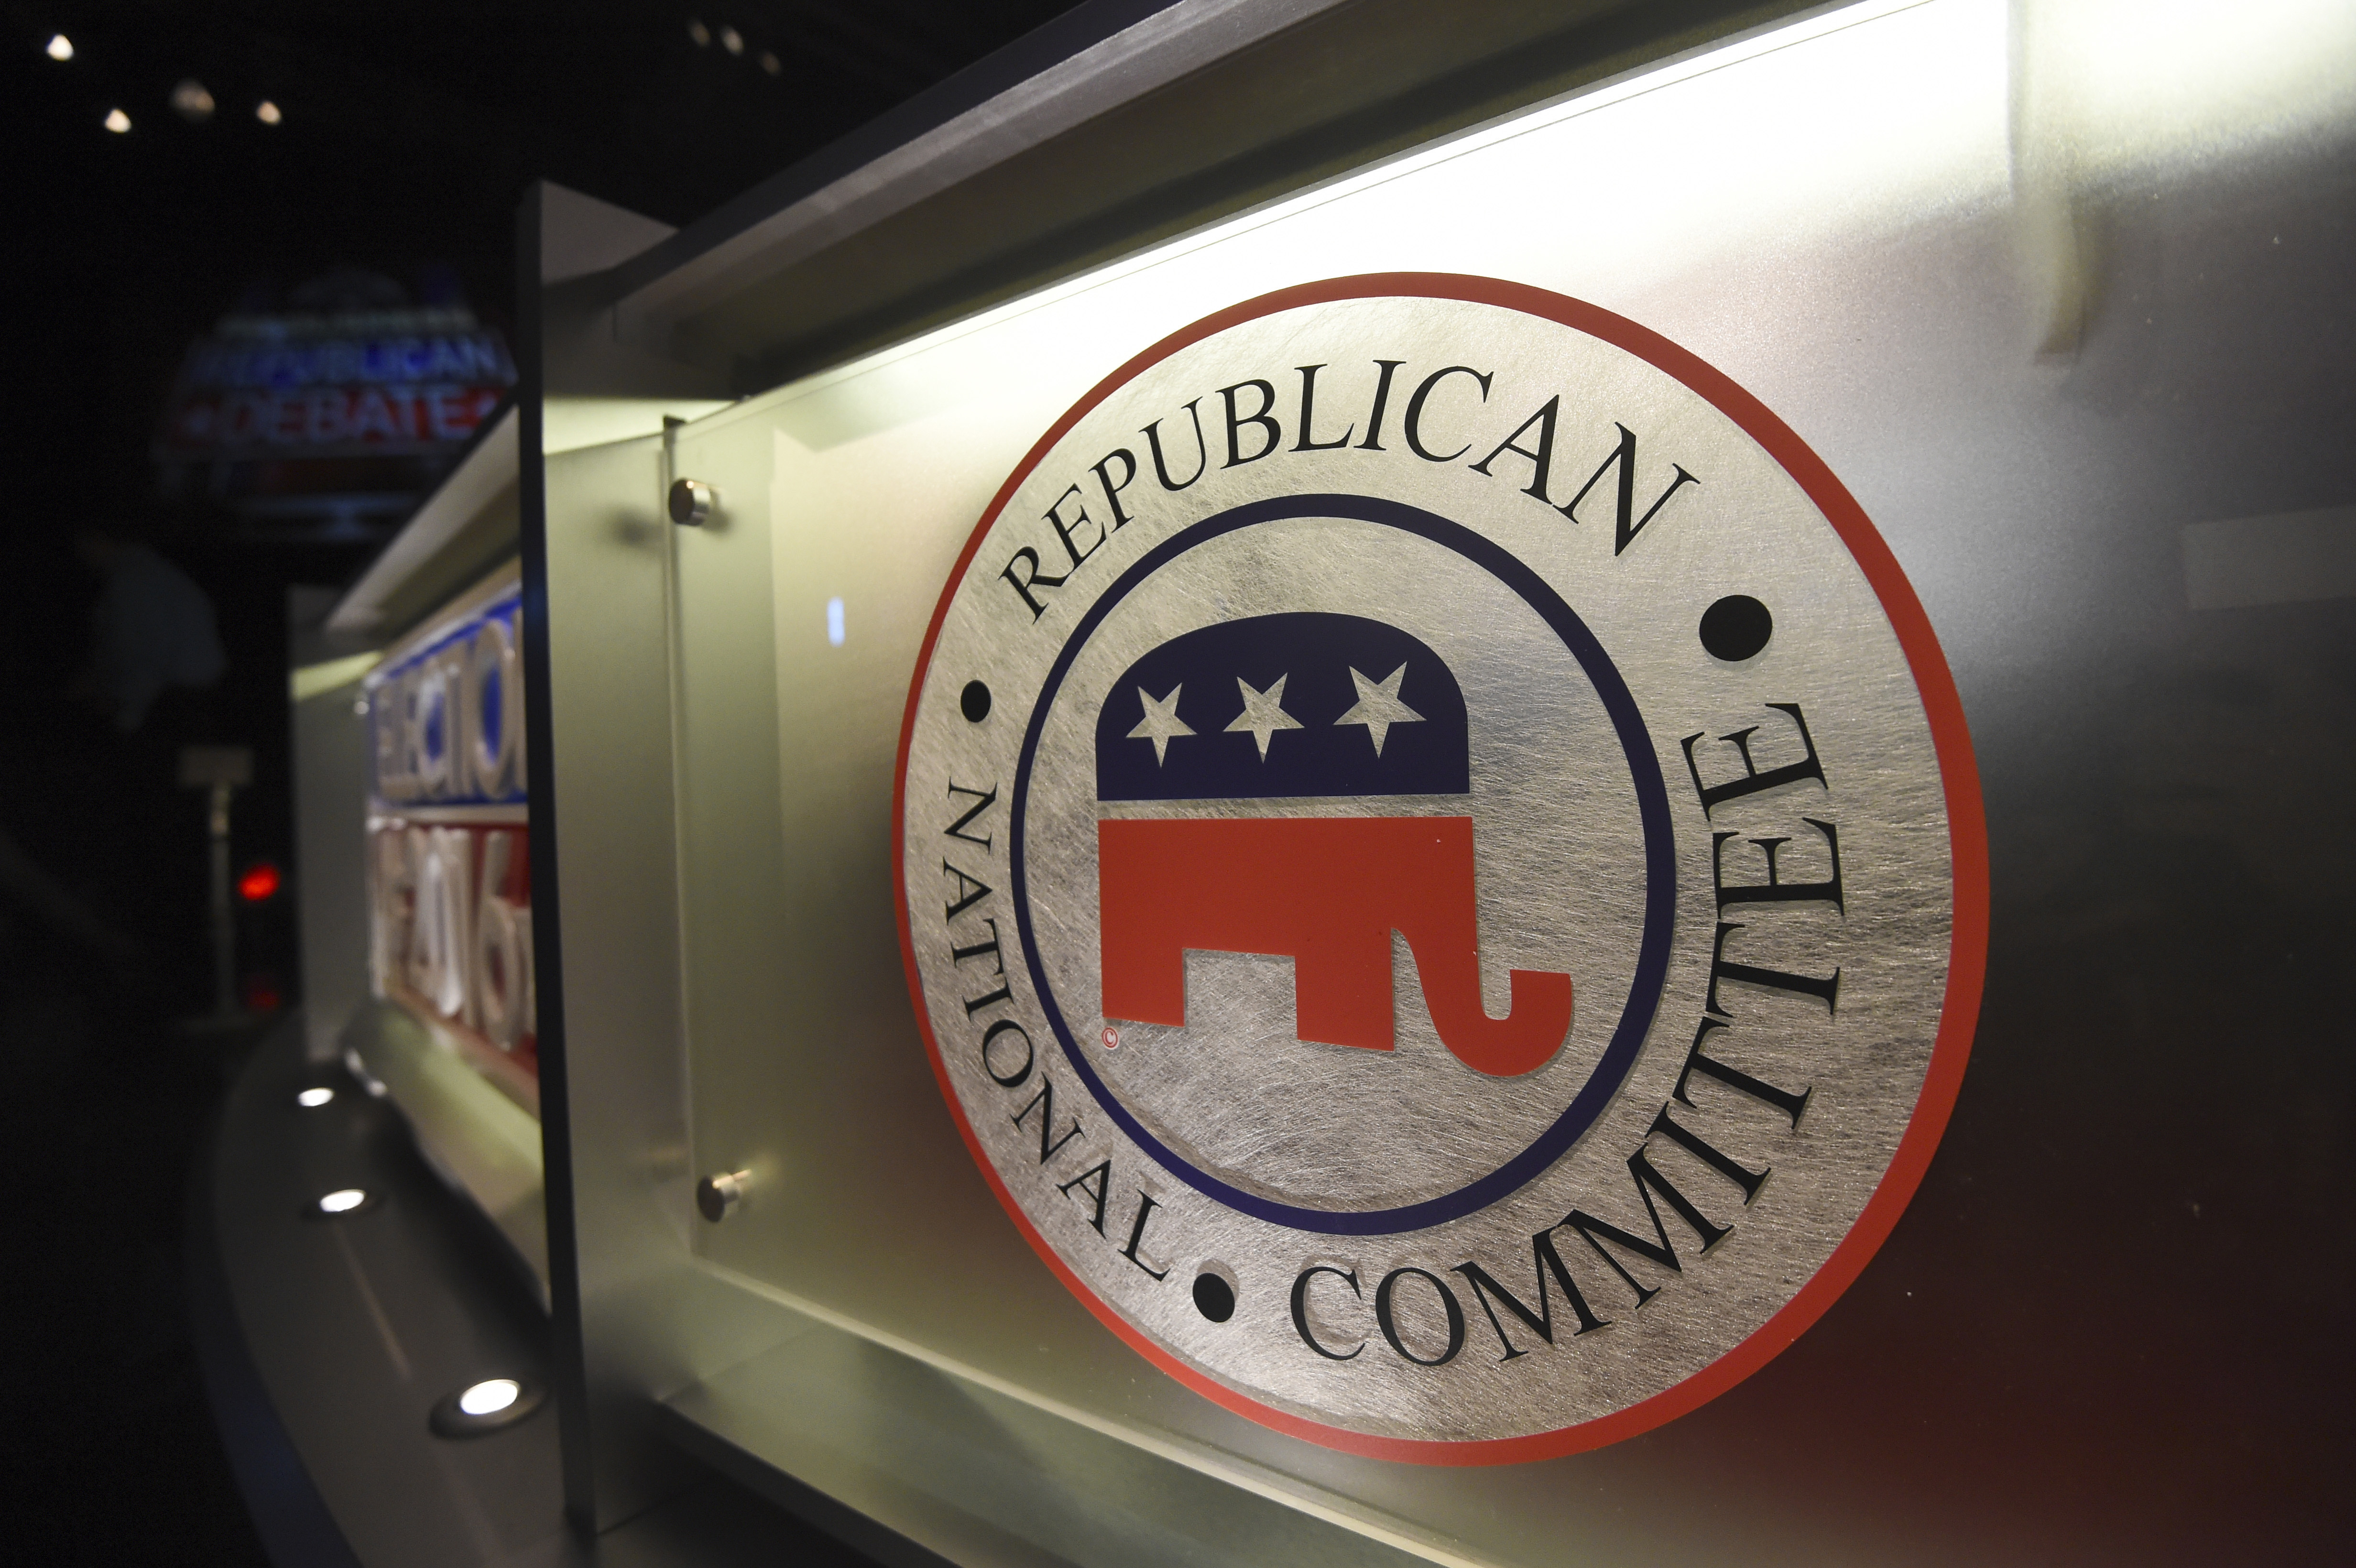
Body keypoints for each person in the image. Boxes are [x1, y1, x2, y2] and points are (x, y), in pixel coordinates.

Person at [71, 522, 227, 735]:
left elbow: (138, 651)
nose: (83, 555)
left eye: (85, 545)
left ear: (101, 540)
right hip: (191, 687)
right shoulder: (148, 572)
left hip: (180, 692)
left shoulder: (133, 579)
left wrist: (128, 710)